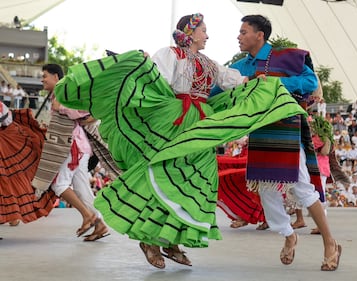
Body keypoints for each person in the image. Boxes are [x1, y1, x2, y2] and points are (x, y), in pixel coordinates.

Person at [53, 13, 306, 269]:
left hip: (198, 122)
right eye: (204, 30)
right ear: (191, 32)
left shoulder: (209, 62)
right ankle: (150, 239)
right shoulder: (170, 54)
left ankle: (171, 239)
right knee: (162, 178)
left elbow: (231, 79)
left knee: (198, 181)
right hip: (172, 120)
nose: (207, 35)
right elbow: (156, 81)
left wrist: (255, 82)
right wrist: (142, 67)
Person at [227, 14, 341, 271]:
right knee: (267, 191)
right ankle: (289, 235)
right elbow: (219, 90)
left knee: (302, 187)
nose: (239, 36)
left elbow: (311, 82)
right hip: (260, 132)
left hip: (286, 130)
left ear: (260, 35)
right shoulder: (241, 67)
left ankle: (330, 243)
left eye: (244, 32)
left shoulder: (286, 57)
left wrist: (275, 83)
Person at [33, 64, 109, 242]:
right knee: (83, 190)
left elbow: (82, 112)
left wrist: (61, 108)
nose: (42, 79)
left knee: (58, 185)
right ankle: (100, 224)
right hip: (80, 147)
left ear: (56, 77)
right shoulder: (60, 93)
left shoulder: (63, 93)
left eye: (45, 75)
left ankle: (87, 216)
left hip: (72, 147)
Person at [0, 101, 57, 228]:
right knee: (11, 180)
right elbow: (7, 120)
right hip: (9, 143)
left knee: (7, 181)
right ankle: (12, 216)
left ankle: (11, 215)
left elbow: (6, 120)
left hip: (7, 144)